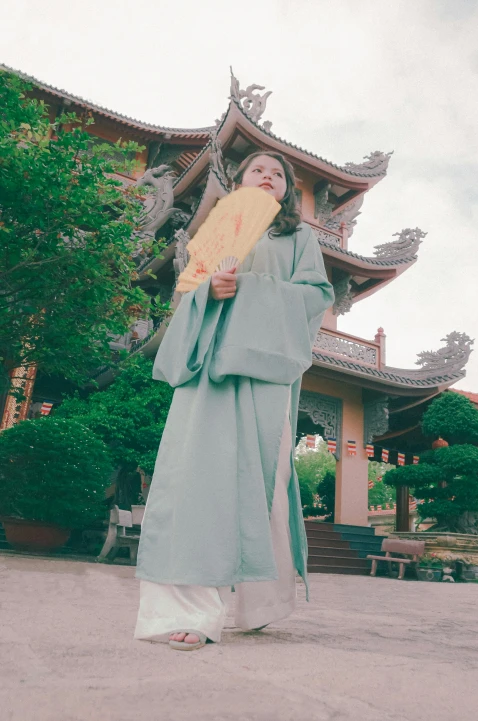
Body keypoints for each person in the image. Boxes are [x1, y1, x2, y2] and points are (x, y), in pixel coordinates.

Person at [134, 151, 334, 650]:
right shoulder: (221, 229)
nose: (267, 177)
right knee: (192, 485)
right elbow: (189, 295)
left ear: (288, 190)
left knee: (260, 484)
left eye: (277, 175)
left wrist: (245, 286)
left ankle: (254, 604)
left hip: (265, 372)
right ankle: (190, 612)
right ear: (240, 181)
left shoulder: (298, 238)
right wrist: (208, 292)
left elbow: (314, 294)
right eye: (256, 171)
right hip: (209, 372)